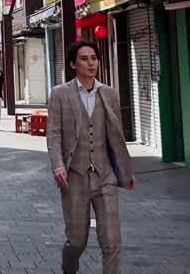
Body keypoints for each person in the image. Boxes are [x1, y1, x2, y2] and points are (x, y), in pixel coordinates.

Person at [47, 41, 136, 274]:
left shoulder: (109, 94)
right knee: (77, 241)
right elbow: (54, 134)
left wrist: (126, 172)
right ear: (73, 64)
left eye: (94, 58)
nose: (91, 63)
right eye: (84, 59)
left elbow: (116, 137)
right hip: (74, 177)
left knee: (112, 241)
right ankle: (69, 269)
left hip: (105, 176)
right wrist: (58, 166)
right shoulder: (59, 94)